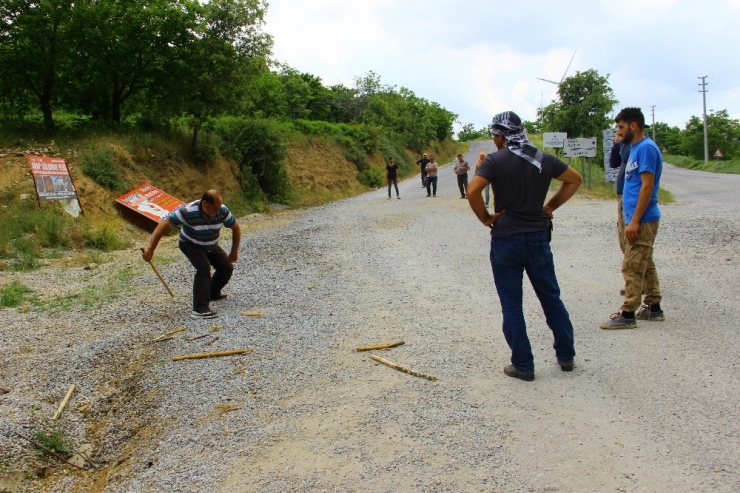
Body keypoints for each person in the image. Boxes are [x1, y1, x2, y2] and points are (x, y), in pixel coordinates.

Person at [467, 111, 583, 381]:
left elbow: (473, 191)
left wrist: (486, 219)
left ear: (500, 135)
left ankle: (523, 364)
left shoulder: (495, 161)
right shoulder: (543, 158)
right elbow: (575, 179)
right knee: (551, 298)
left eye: (495, 136)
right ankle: (566, 356)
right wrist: (550, 206)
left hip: (506, 239)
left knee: (511, 304)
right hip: (537, 239)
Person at [600, 108, 664, 329]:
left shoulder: (646, 148)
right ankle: (654, 307)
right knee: (644, 261)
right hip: (634, 216)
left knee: (631, 265)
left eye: (621, 127)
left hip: (643, 218)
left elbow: (647, 186)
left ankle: (628, 314)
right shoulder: (635, 148)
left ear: (633, 126)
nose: (618, 131)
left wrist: (635, 220)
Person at [142, 190, 242, 320]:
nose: (218, 211)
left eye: (219, 207)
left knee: (226, 267)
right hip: (190, 244)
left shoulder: (222, 210)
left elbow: (236, 228)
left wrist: (234, 252)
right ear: (204, 203)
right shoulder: (188, 211)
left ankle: (211, 292)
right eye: (215, 208)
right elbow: (164, 225)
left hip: (210, 244)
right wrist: (150, 249)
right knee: (203, 267)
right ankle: (199, 309)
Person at [609, 128, 631, 295]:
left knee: (630, 240)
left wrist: (621, 143)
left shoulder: (636, 147)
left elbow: (626, 158)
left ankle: (637, 282)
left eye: (621, 130)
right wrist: (616, 146)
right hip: (621, 193)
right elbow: (614, 163)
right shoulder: (624, 145)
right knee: (623, 238)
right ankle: (637, 280)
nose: (619, 134)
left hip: (629, 195)